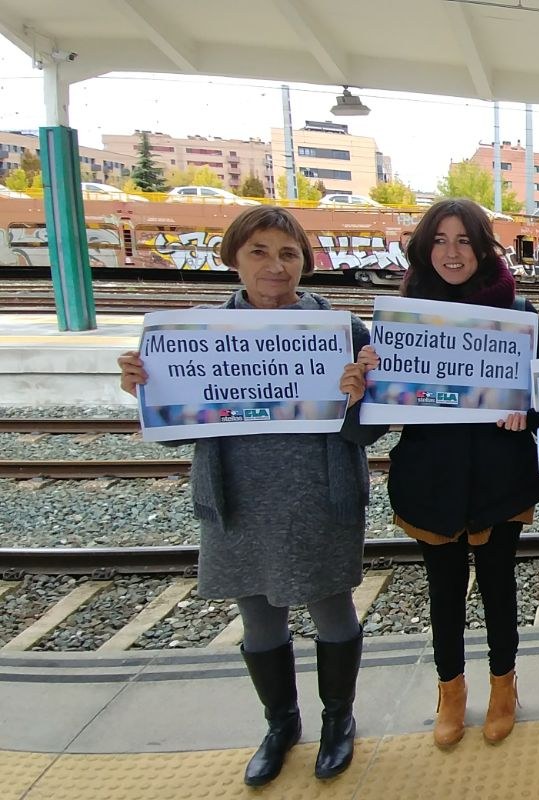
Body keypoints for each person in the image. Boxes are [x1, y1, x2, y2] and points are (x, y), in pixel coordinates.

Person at [116, 206, 379, 785]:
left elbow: (370, 431)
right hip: (238, 497)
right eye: (258, 251)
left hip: (319, 497)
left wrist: (360, 400)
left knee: (332, 612)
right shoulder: (195, 334)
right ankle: (281, 724)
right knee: (259, 621)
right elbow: (177, 429)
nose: (275, 266)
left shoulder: (342, 329)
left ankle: (338, 721)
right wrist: (146, 389)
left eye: (288, 253)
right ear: (232, 258)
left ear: (305, 264)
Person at [359, 199, 539, 745]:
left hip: (499, 476)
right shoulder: (401, 319)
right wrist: (373, 379)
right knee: (443, 592)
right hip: (431, 479)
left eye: (464, 240)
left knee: (499, 587)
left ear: (483, 247)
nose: (452, 252)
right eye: (440, 240)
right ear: (424, 248)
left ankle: (504, 686)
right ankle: (451, 693)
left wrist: (526, 412)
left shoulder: (520, 316)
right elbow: (382, 412)